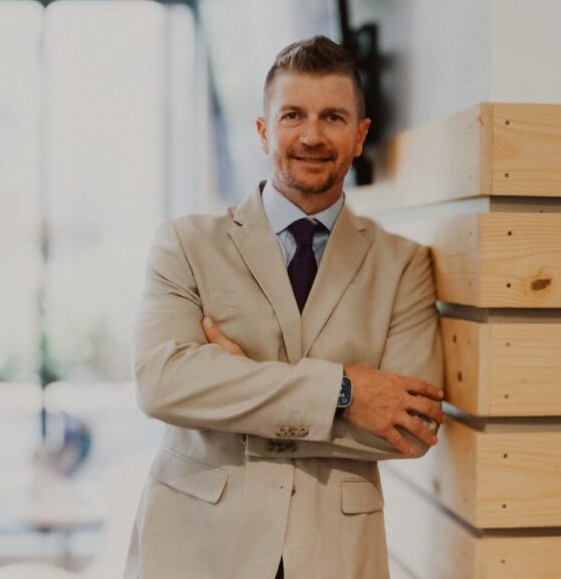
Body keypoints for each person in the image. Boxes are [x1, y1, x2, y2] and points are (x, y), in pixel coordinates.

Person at [124, 36, 446, 579]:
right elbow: (160, 383)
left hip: (333, 555)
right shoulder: (186, 243)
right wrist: (344, 392)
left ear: (360, 134)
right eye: (293, 115)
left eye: (333, 117)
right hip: (197, 547)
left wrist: (234, 382)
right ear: (263, 130)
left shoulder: (404, 265)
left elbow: (409, 425)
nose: (312, 135)